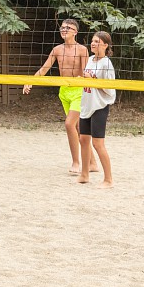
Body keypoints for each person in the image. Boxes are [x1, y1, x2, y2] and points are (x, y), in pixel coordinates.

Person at [23, 18, 98, 175]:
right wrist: (30, 81)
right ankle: (92, 163)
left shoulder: (82, 50)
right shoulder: (57, 50)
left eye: (68, 28)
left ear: (75, 32)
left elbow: (85, 72)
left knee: (69, 124)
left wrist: (83, 79)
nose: (64, 30)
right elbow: (44, 69)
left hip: (79, 91)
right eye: (62, 27)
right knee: (77, 128)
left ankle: (76, 162)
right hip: (64, 91)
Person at [78, 31, 116, 188]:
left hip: (100, 106)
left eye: (97, 41)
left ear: (105, 45)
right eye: (92, 41)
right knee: (83, 140)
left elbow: (108, 88)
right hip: (87, 104)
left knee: (98, 144)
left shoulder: (106, 64)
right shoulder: (90, 59)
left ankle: (108, 180)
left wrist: (91, 80)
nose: (93, 43)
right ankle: (85, 174)